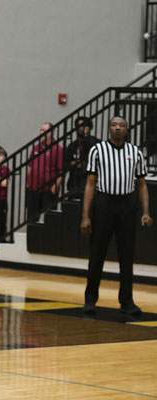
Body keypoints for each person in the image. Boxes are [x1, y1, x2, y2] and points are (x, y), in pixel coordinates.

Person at [81, 116, 153, 316]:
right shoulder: (97, 150)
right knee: (97, 254)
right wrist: (85, 216)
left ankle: (127, 302)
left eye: (121, 125)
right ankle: (90, 300)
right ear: (109, 129)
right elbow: (90, 183)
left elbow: (141, 184)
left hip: (127, 205)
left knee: (127, 255)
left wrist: (146, 212)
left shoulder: (135, 152)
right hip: (103, 203)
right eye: (114, 125)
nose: (118, 128)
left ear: (127, 129)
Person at [26, 122, 63, 220]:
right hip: (33, 189)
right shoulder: (36, 147)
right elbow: (30, 165)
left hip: (48, 190)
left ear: (52, 132)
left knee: (50, 219)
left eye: (45, 130)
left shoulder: (57, 149)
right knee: (32, 218)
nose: (42, 132)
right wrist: (27, 182)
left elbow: (62, 171)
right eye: (41, 130)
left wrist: (55, 187)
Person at [64, 116, 99, 197]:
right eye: (79, 126)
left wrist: (84, 164)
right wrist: (73, 164)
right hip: (74, 184)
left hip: (90, 184)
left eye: (85, 126)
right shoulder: (72, 145)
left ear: (89, 128)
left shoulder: (95, 143)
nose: (81, 128)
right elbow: (65, 164)